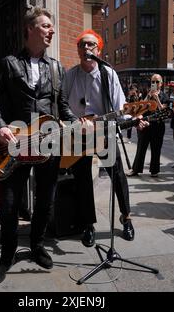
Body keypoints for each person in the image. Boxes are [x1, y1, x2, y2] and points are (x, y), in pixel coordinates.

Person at [0, 6, 78, 287]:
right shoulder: (10, 63)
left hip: (48, 145)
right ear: (30, 30)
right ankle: (8, 254)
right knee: (10, 203)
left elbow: (62, 106)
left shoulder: (57, 67)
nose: (51, 30)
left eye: (51, 26)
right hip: (16, 144)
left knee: (45, 201)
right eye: (46, 26)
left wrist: (75, 122)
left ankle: (37, 245)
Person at [63, 29, 141, 248]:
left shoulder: (108, 73)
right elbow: (62, 105)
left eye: (91, 45)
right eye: (82, 45)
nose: (86, 48)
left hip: (104, 132)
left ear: (98, 49)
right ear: (78, 50)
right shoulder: (70, 75)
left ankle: (126, 217)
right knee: (83, 181)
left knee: (117, 175)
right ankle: (88, 224)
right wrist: (73, 124)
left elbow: (121, 107)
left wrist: (134, 118)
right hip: (78, 133)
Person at [128, 74, 169, 177]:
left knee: (156, 148)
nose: (154, 84)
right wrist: (149, 96)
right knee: (141, 147)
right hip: (146, 124)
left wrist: (157, 99)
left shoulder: (164, 96)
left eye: (157, 82)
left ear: (161, 83)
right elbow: (140, 107)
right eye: (153, 82)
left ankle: (154, 170)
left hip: (158, 125)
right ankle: (136, 169)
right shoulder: (146, 94)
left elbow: (164, 111)